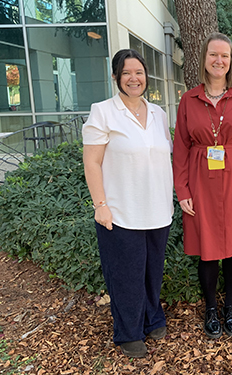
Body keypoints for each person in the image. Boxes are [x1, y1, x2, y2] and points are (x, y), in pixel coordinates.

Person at [172, 33, 232, 339]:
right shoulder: (189, 99)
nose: (219, 61)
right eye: (213, 55)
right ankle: (211, 307)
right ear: (204, 58)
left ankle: (231, 306)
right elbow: (181, 150)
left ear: (231, 61)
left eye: (225, 56)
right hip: (201, 182)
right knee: (208, 248)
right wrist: (182, 190)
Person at [82, 49, 173, 357]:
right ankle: (128, 332)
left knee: (152, 272)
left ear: (146, 76)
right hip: (121, 211)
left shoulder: (159, 114)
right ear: (115, 77)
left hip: (158, 209)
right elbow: (92, 163)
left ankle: (152, 318)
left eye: (139, 72)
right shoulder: (104, 112)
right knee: (125, 275)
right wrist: (100, 205)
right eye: (126, 73)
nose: (134, 78)